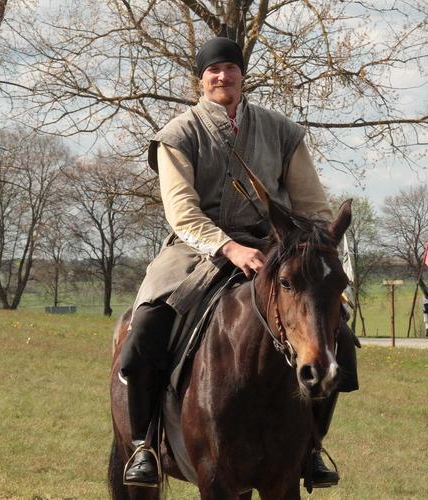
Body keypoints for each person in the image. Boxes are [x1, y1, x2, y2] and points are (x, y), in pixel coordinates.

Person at [119, 36, 358, 488]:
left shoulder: (281, 130)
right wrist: (228, 247)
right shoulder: (177, 135)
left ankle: (311, 446)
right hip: (195, 249)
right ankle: (143, 445)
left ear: (242, 75)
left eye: (230, 68)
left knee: (337, 332)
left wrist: (312, 246)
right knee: (146, 327)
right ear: (201, 79)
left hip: (274, 247)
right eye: (213, 70)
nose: (222, 76)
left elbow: (312, 205)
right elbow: (182, 212)